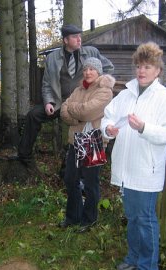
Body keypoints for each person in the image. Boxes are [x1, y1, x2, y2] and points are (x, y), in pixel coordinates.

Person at [101, 42, 166, 270]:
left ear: (157, 70)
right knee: (132, 217)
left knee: (145, 220)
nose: (141, 71)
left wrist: (144, 127)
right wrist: (109, 129)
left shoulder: (165, 97)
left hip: (147, 171)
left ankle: (148, 265)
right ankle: (133, 259)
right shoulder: (126, 94)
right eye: (139, 66)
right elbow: (108, 116)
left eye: (147, 66)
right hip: (126, 170)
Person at [13, 24, 114, 167]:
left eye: (80, 36)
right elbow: (47, 83)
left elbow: (108, 67)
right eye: (75, 37)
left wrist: (100, 84)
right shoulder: (52, 58)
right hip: (59, 102)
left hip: (82, 102)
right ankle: (24, 155)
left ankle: (75, 168)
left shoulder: (91, 52)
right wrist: (48, 102)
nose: (79, 40)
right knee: (33, 115)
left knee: (83, 127)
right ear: (65, 40)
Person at [60, 57, 114, 232]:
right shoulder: (78, 89)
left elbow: (89, 111)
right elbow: (63, 110)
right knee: (70, 179)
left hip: (93, 140)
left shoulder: (105, 91)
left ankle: (89, 219)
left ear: (98, 71)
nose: (88, 72)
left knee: (90, 183)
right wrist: (78, 113)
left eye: (92, 69)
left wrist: (75, 110)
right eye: (85, 69)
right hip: (76, 138)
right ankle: (73, 216)